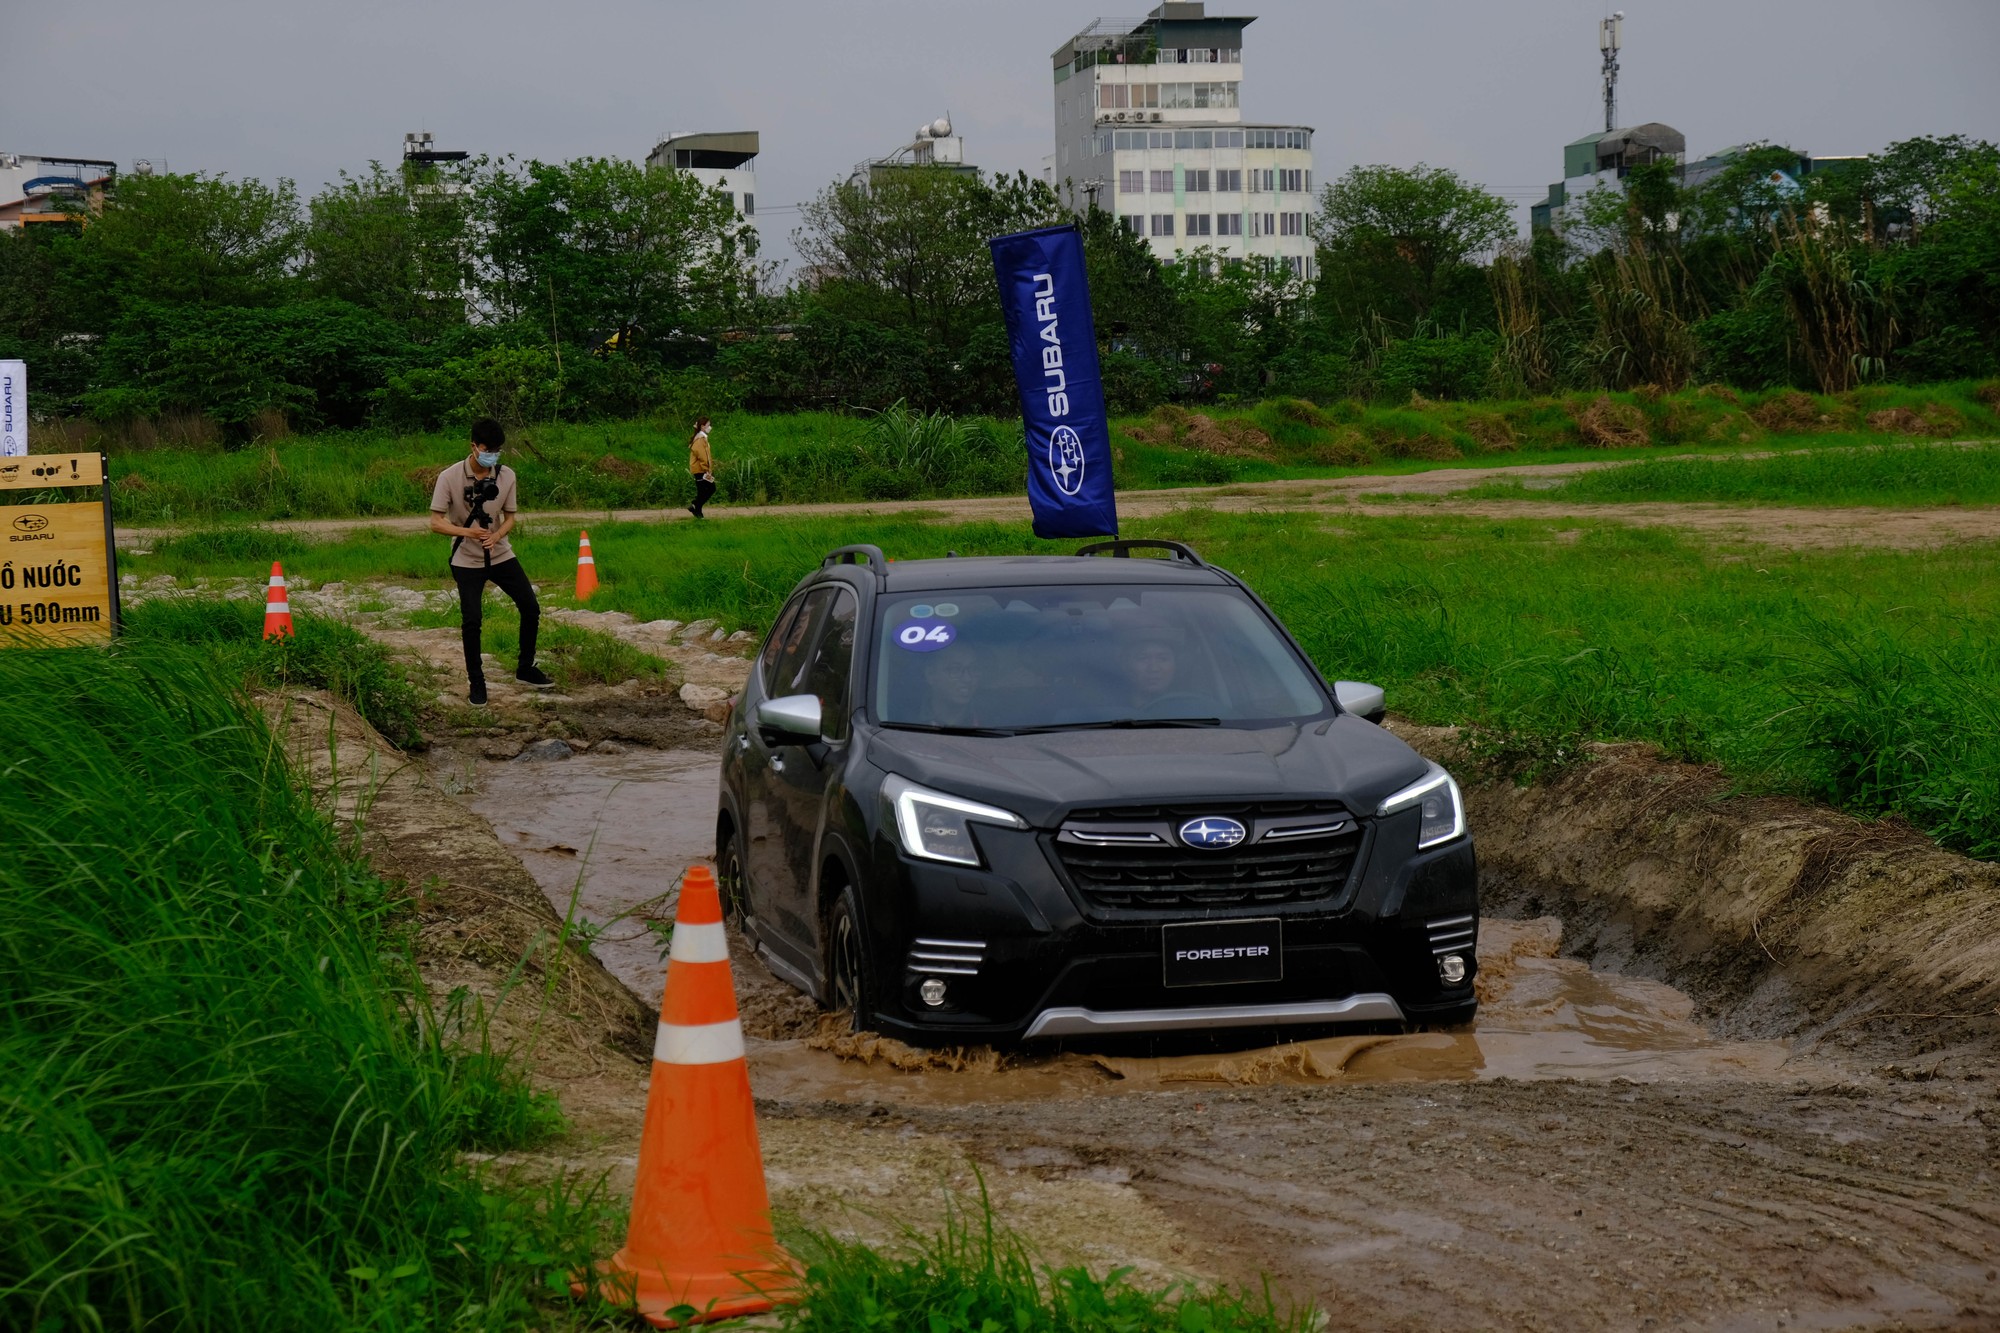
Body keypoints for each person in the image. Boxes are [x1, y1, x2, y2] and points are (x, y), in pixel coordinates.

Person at [429, 418, 553, 706]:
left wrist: (496, 535)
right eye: (488, 449)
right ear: (473, 446)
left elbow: (510, 517)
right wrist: (467, 532)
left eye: (497, 450)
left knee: (530, 606)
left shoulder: (507, 475)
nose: (492, 455)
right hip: (466, 558)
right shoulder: (449, 477)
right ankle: (477, 682)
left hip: (499, 553)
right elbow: (436, 523)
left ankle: (525, 668)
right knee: (472, 620)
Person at [687, 416, 717, 518]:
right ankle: (696, 504)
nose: (710, 427)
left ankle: (697, 511)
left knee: (703, 491)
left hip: (700, 469)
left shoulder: (702, 438)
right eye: (708, 425)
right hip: (700, 469)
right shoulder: (700, 439)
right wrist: (706, 469)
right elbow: (702, 456)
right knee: (711, 488)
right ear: (703, 426)